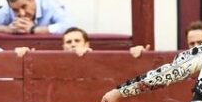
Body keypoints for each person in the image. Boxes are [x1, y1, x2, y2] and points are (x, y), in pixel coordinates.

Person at [14, 27, 150, 58]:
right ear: (63, 47)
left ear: (87, 45)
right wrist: (27, 55)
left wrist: (138, 53)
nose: (73, 44)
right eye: (69, 42)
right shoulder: (55, 60)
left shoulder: (97, 58)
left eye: (77, 41)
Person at [0, 0, 73, 35]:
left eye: (24, 7)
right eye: (15, 10)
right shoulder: (10, 7)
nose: (21, 13)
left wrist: (34, 29)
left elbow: (69, 25)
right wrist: (8, 29)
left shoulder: (49, 3)